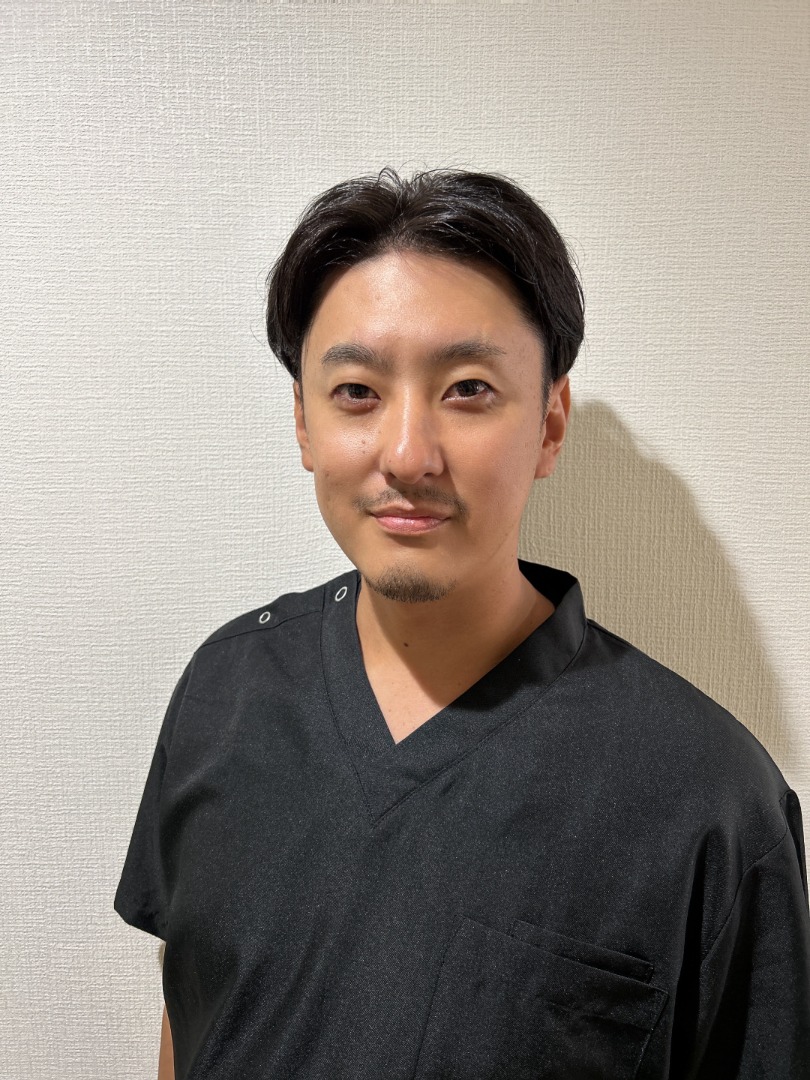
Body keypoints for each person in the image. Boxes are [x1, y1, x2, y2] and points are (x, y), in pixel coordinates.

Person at [115, 168, 810, 1080]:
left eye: (469, 388)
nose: (408, 455)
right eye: (357, 391)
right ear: (303, 424)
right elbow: (192, 1015)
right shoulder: (225, 689)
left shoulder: (712, 800)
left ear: (550, 424)